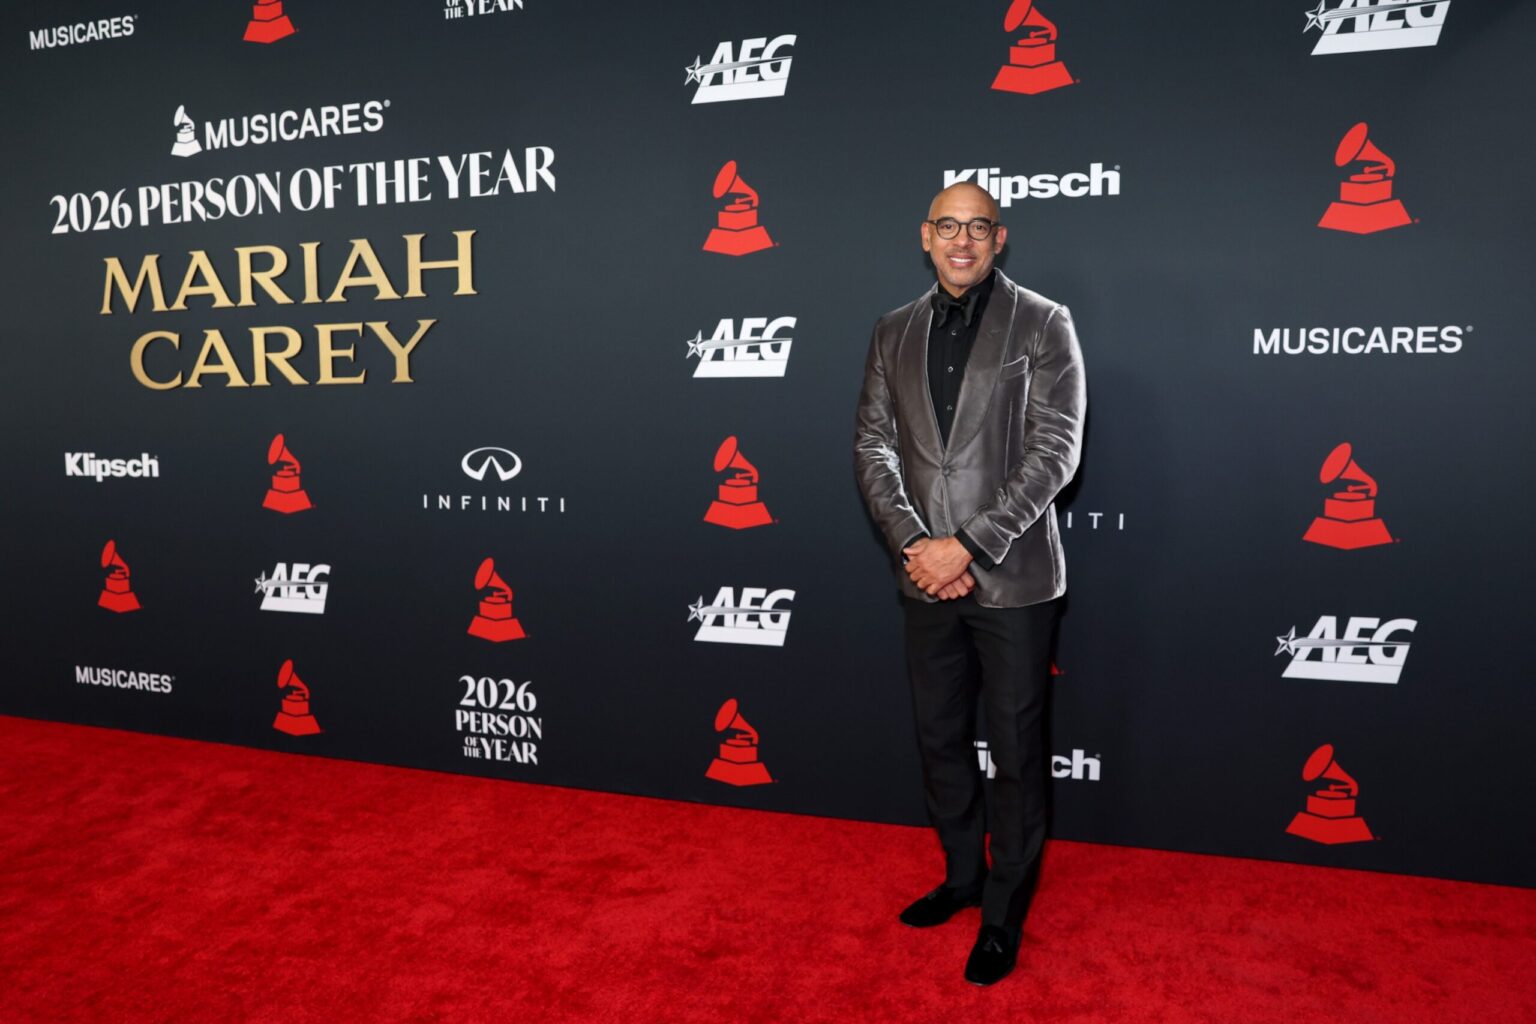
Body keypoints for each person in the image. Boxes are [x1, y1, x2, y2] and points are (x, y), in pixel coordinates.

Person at [853, 182, 1086, 986]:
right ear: (925, 236)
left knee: (1018, 752)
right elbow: (874, 448)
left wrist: (970, 546)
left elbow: (1056, 451)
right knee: (940, 737)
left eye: (977, 228)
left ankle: (1004, 906)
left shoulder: (1044, 322)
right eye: (947, 227)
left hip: (1013, 577)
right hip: (924, 577)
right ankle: (960, 876)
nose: (962, 241)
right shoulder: (892, 330)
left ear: (1000, 237)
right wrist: (920, 545)